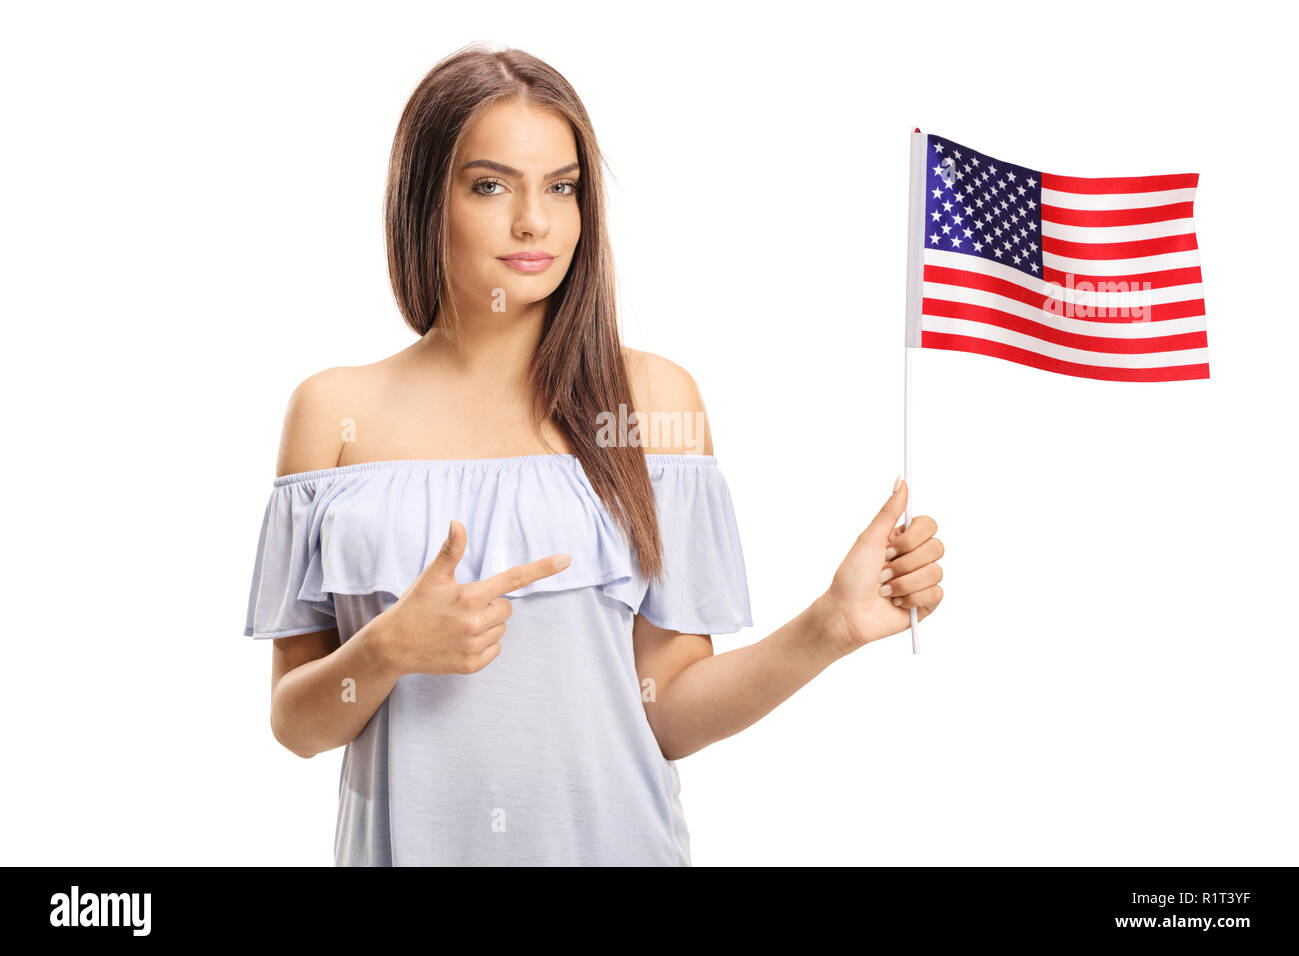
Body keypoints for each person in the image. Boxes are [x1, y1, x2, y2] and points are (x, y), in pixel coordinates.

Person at [242, 44, 945, 866]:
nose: (534, 221)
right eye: (491, 184)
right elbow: (296, 724)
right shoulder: (334, 412)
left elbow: (669, 710)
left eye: (562, 187)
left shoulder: (655, 404)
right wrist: (389, 648)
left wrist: (831, 625)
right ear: (424, 198)